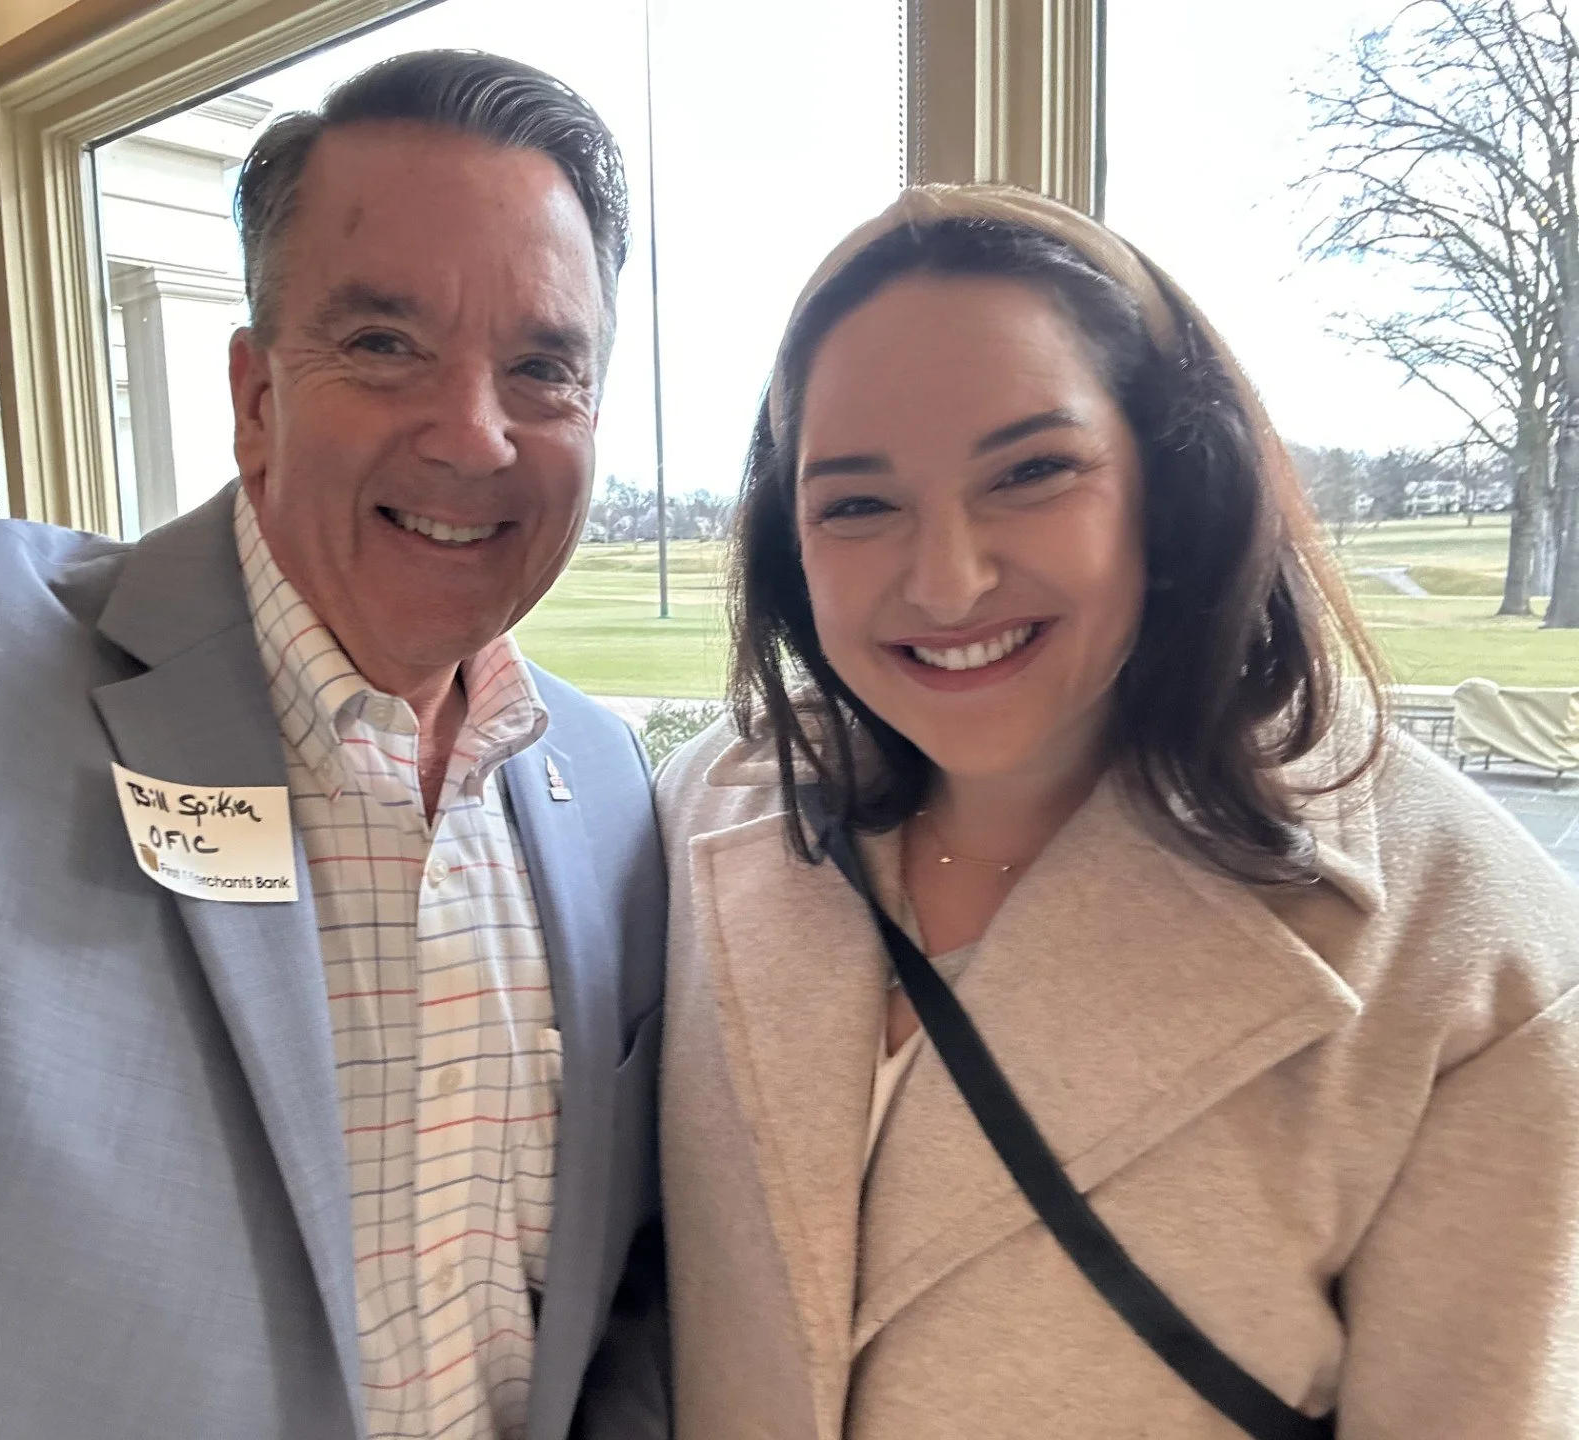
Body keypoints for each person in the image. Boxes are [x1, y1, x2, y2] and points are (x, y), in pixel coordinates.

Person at [0, 50, 667, 1440]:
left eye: (545, 368)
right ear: (256, 399)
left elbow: (628, 1293)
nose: (476, 434)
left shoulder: (610, 789)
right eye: (385, 344)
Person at [657, 184, 1579, 1439]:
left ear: (1172, 486)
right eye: (858, 503)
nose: (948, 578)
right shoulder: (706, 811)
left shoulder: (1470, 950)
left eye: (1033, 472)